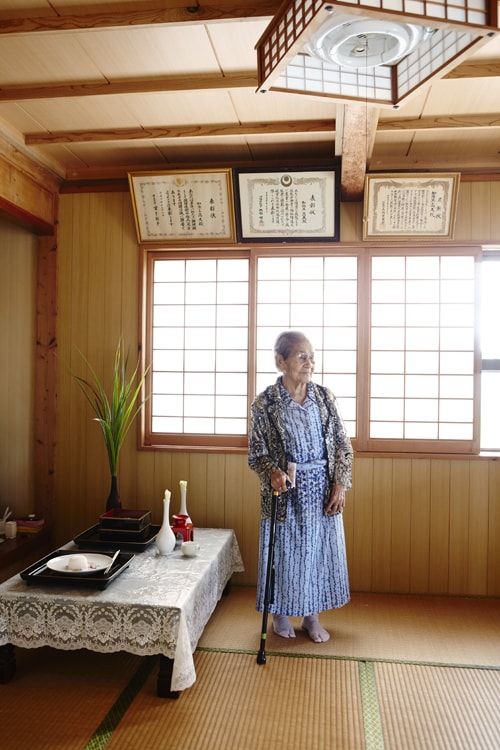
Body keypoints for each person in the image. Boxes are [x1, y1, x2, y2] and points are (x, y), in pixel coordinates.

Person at [248, 330, 353, 643]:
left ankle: (311, 616)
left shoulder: (324, 397)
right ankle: (280, 613)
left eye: (312, 356)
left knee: (316, 553)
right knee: (283, 553)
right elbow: (257, 453)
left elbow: (343, 445)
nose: (310, 362)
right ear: (281, 361)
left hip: (320, 488)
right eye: (301, 356)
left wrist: (340, 484)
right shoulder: (265, 403)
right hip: (285, 491)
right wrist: (273, 473)